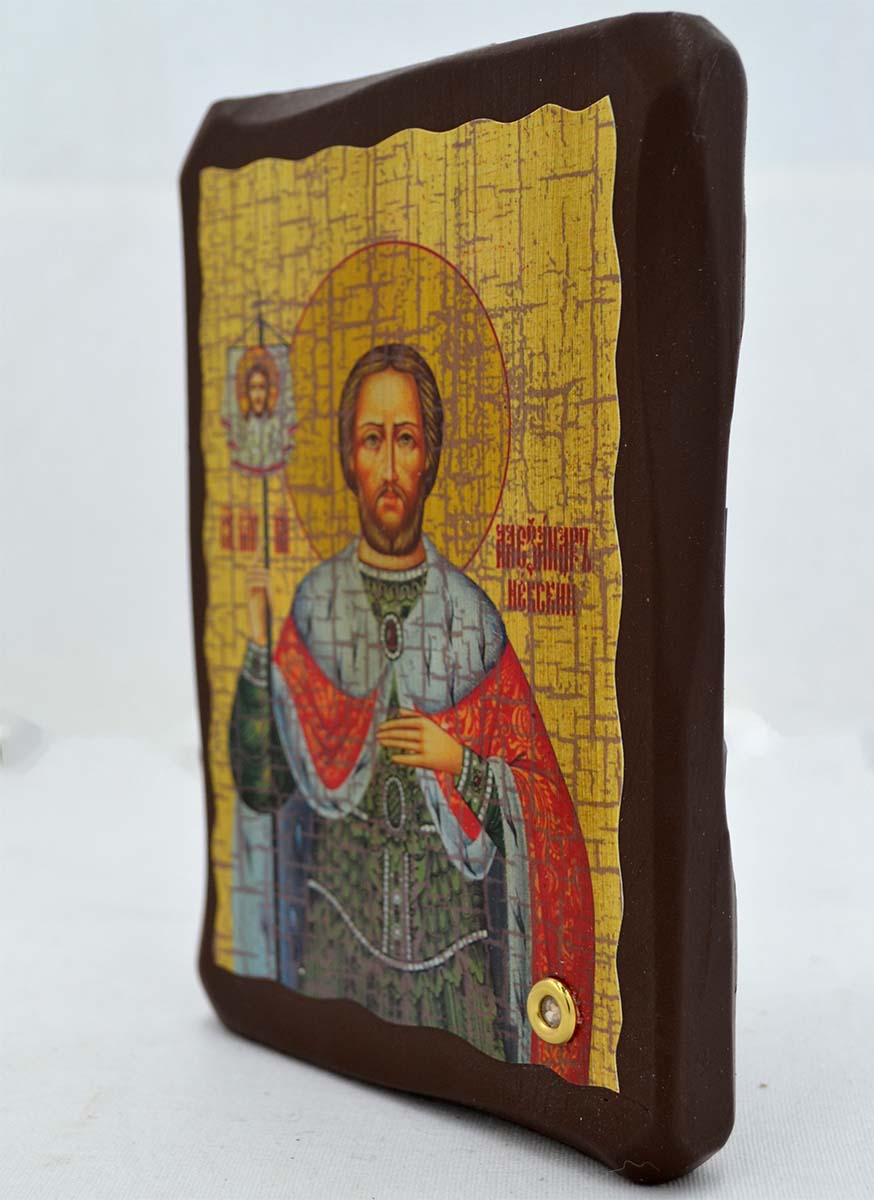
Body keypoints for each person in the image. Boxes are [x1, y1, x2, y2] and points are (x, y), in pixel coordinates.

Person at [228, 343, 594, 1081]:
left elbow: (548, 813)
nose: (390, 466)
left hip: (455, 976)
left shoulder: (473, 623)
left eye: (406, 439)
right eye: (372, 440)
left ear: (431, 457)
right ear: (348, 458)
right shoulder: (316, 609)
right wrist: (262, 664)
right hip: (335, 954)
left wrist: (463, 762)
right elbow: (265, 790)